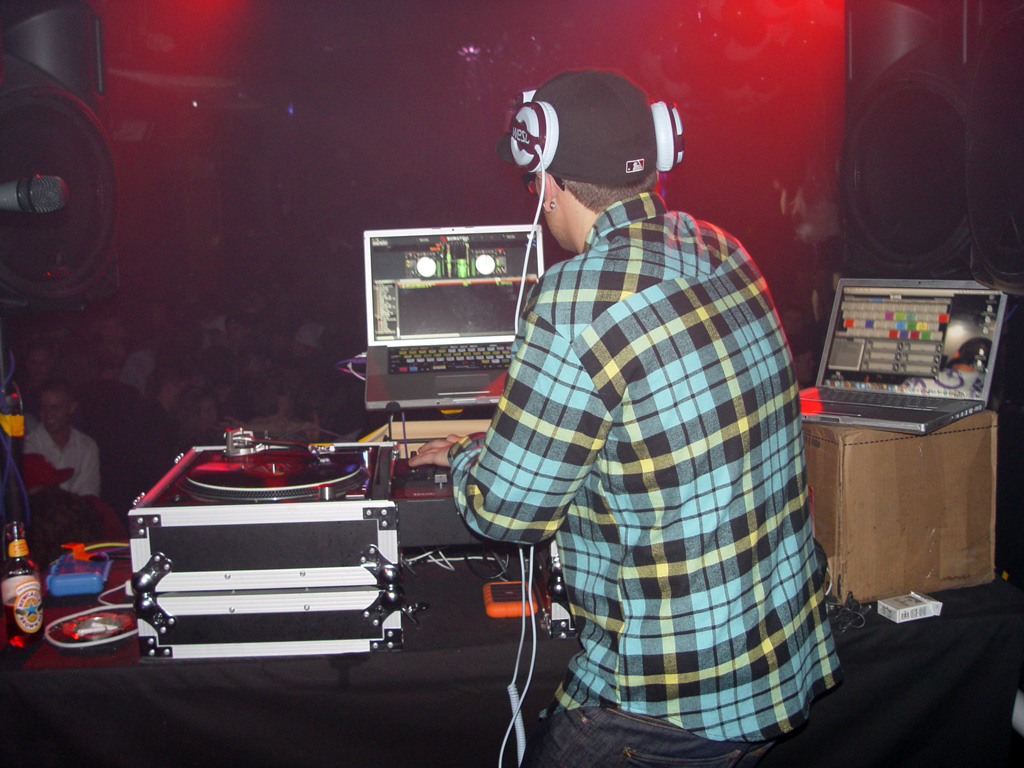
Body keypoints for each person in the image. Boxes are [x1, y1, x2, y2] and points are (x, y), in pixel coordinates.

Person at [409, 69, 841, 767]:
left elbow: (504, 512)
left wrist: (464, 455)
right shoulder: (723, 247)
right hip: (777, 660)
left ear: (546, 181)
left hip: (671, 701)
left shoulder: (573, 296)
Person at [24, 378, 101, 499]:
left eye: (55, 408)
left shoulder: (87, 446)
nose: (48, 414)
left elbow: (89, 496)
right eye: (44, 408)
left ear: (72, 408)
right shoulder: (28, 444)